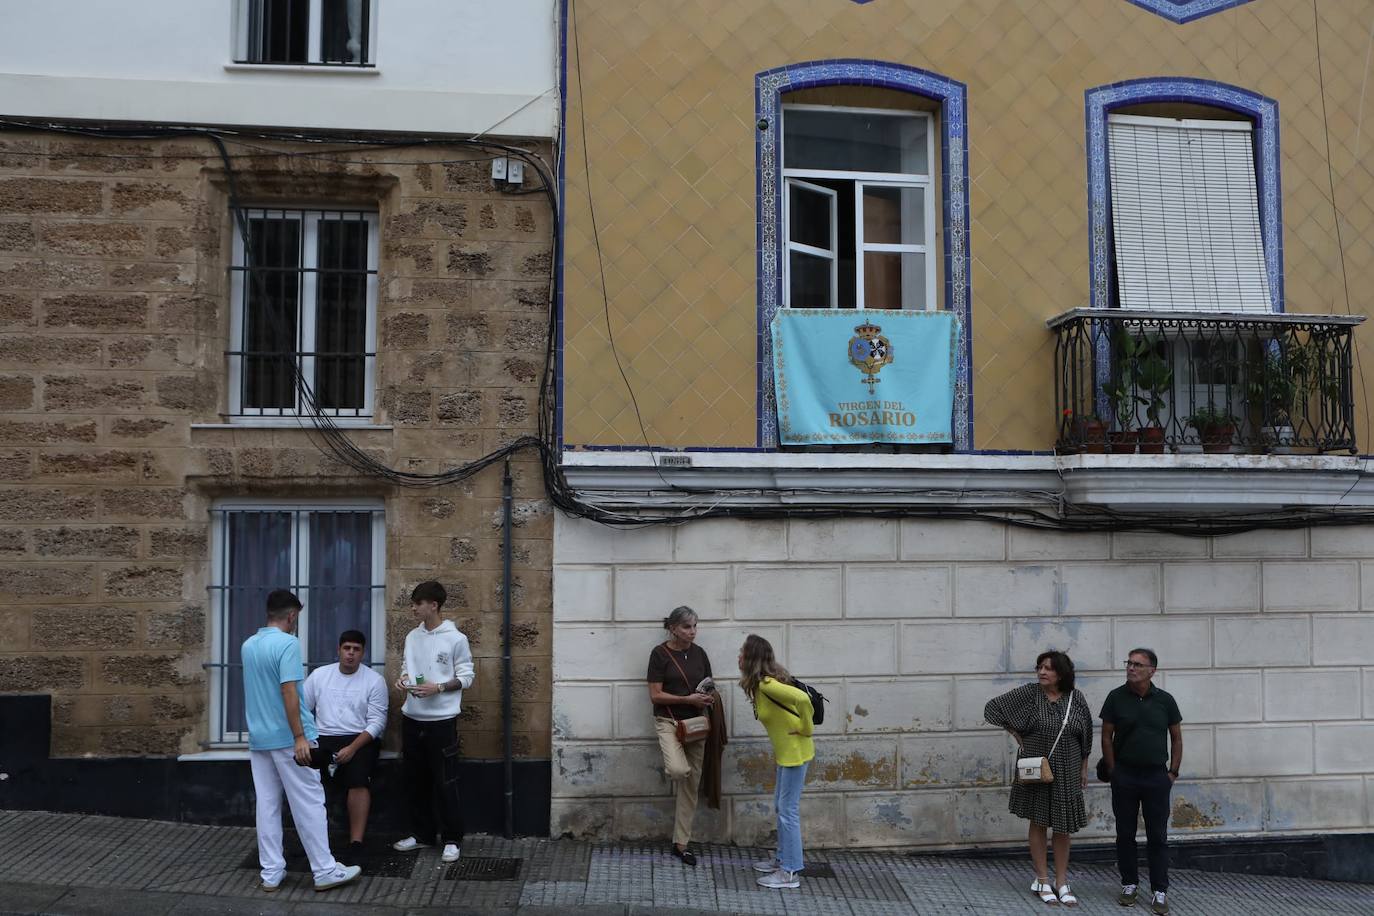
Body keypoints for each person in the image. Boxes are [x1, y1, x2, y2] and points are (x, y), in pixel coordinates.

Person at [241, 589, 362, 893]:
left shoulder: (248, 645)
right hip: (290, 738)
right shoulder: (288, 643)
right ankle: (324, 870)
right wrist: (299, 737)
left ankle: (271, 873)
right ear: (292, 615)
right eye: (298, 617)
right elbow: (289, 691)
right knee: (309, 803)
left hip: (260, 738)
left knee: (267, 805)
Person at [983, 651, 1093, 907]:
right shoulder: (1030, 693)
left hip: (1068, 768)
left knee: (1064, 826)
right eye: (1040, 667)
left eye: (1049, 668)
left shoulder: (1076, 698)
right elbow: (993, 708)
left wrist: (1084, 767)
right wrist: (1015, 733)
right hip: (1037, 768)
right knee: (1039, 820)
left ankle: (1062, 881)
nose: (1042, 672)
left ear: (1062, 674)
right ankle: (1042, 878)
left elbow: (1085, 733)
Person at [391, 581, 474, 864]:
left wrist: (437, 688)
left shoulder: (456, 639)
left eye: (418, 603)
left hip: (442, 721)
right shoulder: (412, 637)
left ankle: (452, 839)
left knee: (446, 781)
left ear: (433, 605)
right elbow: (407, 668)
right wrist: (403, 680)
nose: (413, 608)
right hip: (412, 718)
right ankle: (423, 834)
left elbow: (466, 677)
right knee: (415, 780)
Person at [1101, 648, 1183, 915]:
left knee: (1157, 836)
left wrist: (1172, 772)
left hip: (1156, 777)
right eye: (1129, 663)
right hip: (1125, 775)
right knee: (1125, 834)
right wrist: (1113, 770)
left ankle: (1160, 891)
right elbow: (1106, 736)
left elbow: (1177, 738)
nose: (1131, 668)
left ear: (1152, 670)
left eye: (1137, 664)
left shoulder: (1165, 700)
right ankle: (1129, 884)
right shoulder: (1116, 697)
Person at [738, 633, 813, 891]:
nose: (739, 657)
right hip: (787, 753)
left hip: (795, 753)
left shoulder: (768, 685)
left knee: (787, 811)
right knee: (781, 808)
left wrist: (806, 728)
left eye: (742, 653)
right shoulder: (761, 685)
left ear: (752, 659)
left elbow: (803, 700)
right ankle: (782, 859)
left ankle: (790, 872)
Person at [302, 629, 388, 850]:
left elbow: (377, 723)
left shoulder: (374, 681)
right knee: (301, 771)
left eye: (356, 650)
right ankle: (311, 840)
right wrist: (307, 740)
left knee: (358, 780)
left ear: (363, 653)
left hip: (359, 738)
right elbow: (302, 710)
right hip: (322, 736)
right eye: (346, 648)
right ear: (338, 650)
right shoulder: (320, 675)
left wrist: (352, 748)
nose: (350, 654)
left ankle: (356, 842)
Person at [646, 605, 717, 866]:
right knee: (678, 771)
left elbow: (710, 685)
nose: (693, 631)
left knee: (690, 787)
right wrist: (686, 698)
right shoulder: (659, 654)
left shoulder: (700, 654)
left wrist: (706, 697)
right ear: (673, 628)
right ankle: (680, 842)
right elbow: (655, 695)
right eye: (687, 626)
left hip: (697, 724)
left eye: (695, 626)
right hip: (669, 721)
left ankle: (681, 844)